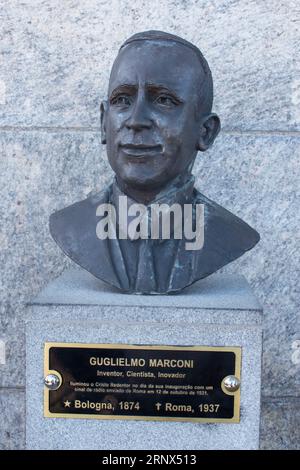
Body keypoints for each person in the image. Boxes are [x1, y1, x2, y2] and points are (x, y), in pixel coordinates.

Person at [50, 30, 259, 294]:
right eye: (122, 100)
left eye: (163, 100)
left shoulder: (230, 235)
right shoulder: (71, 226)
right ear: (104, 123)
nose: (136, 120)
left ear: (205, 132)